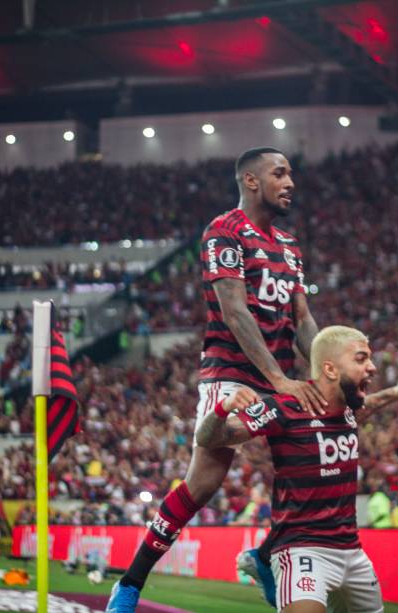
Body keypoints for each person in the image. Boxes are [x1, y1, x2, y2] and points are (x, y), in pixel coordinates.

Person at [109, 147, 326, 612]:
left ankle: (264, 557)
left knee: (318, 463)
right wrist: (279, 378)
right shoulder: (224, 232)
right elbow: (233, 310)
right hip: (230, 373)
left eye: (291, 174)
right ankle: (129, 584)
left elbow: (303, 320)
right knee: (202, 486)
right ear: (251, 181)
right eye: (280, 173)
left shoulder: (290, 246)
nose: (291, 182)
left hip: (278, 378)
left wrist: (328, 371)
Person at [195, 325, 398, 612]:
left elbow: (364, 409)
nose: (372, 367)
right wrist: (222, 407)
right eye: (361, 358)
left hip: (352, 552)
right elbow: (207, 438)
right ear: (330, 369)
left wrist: (395, 393)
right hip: (302, 549)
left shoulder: (348, 412)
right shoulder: (285, 408)